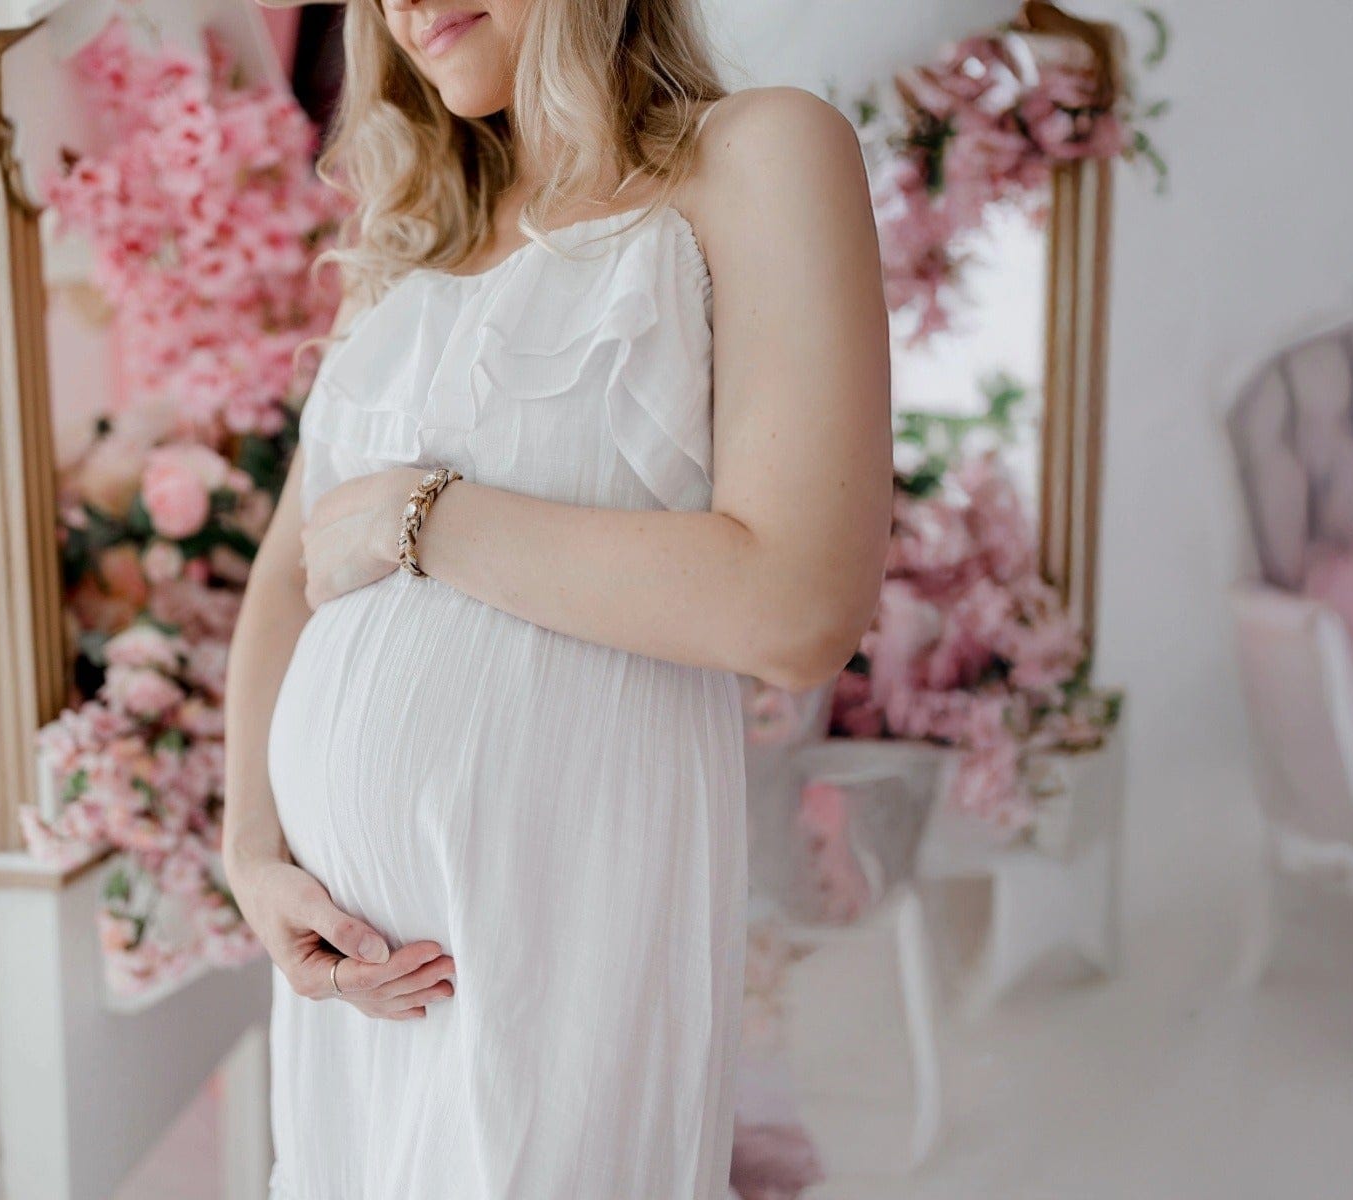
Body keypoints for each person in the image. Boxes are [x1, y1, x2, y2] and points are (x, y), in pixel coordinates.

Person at [220, 1, 891, 1195]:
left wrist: (424, 516)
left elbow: (797, 607)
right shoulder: (409, 234)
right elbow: (289, 575)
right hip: (352, 992)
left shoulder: (759, 155)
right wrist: (251, 858)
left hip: (565, 941)